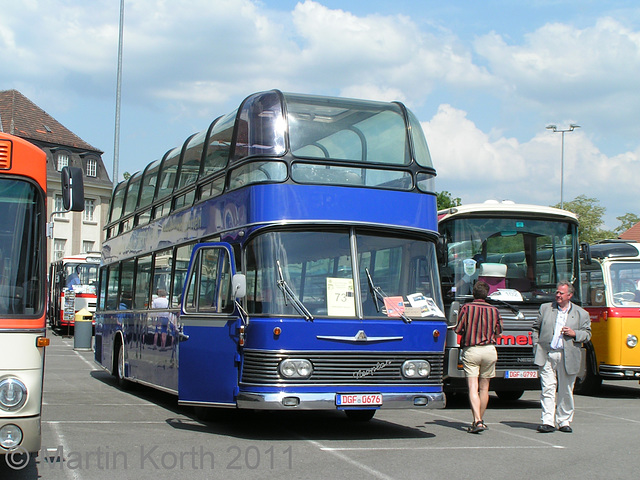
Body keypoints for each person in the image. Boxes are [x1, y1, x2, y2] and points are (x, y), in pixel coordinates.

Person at [532, 281, 591, 433]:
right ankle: (547, 421)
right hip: (547, 353)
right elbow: (535, 328)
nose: (557, 295)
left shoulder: (581, 313)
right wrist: (536, 345)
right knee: (548, 388)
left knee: (566, 390)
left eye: (561, 293)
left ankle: (564, 421)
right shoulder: (545, 308)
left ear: (569, 295)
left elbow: (587, 335)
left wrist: (574, 333)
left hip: (568, 355)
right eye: (557, 292)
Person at [454, 280, 503, 433]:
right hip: (489, 350)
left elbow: (458, 329)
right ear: (487, 294)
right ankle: (479, 420)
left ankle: (477, 420)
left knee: (473, 387)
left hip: (472, 349)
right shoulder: (494, 310)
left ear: (473, 293)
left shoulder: (467, 308)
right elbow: (499, 331)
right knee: (485, 388)